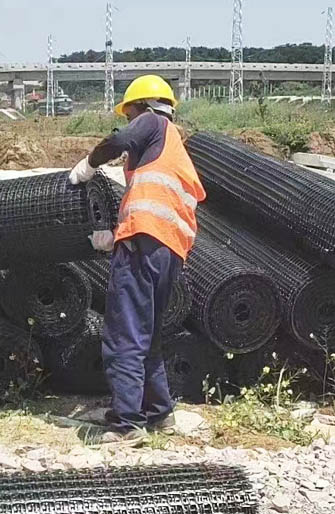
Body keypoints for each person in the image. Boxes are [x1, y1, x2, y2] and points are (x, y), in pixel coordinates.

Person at [68, 75, 206, 445]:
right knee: (148, 335)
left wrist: (88, 165)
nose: (129, 119)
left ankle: (127, 423)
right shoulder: (172, 150)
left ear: (143, 105)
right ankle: (159, 414)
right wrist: (116, 237)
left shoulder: (152, 122)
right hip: (167, 251)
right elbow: (157, 209)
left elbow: (117, 141)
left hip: (144, 248)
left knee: (124, 333)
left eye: (129, 111)